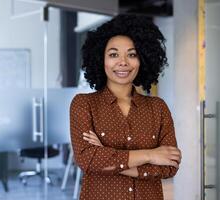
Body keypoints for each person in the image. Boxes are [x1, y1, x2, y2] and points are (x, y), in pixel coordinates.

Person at [69, 14, 182, 200]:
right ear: (100, 59)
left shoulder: (158, 108)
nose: (123, 62)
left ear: (143, 59)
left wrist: (107, 157)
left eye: (132, 54)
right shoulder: (83, 104)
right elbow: (87, 160)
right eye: (113, 54)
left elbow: (170, 166)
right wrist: (151, 155)